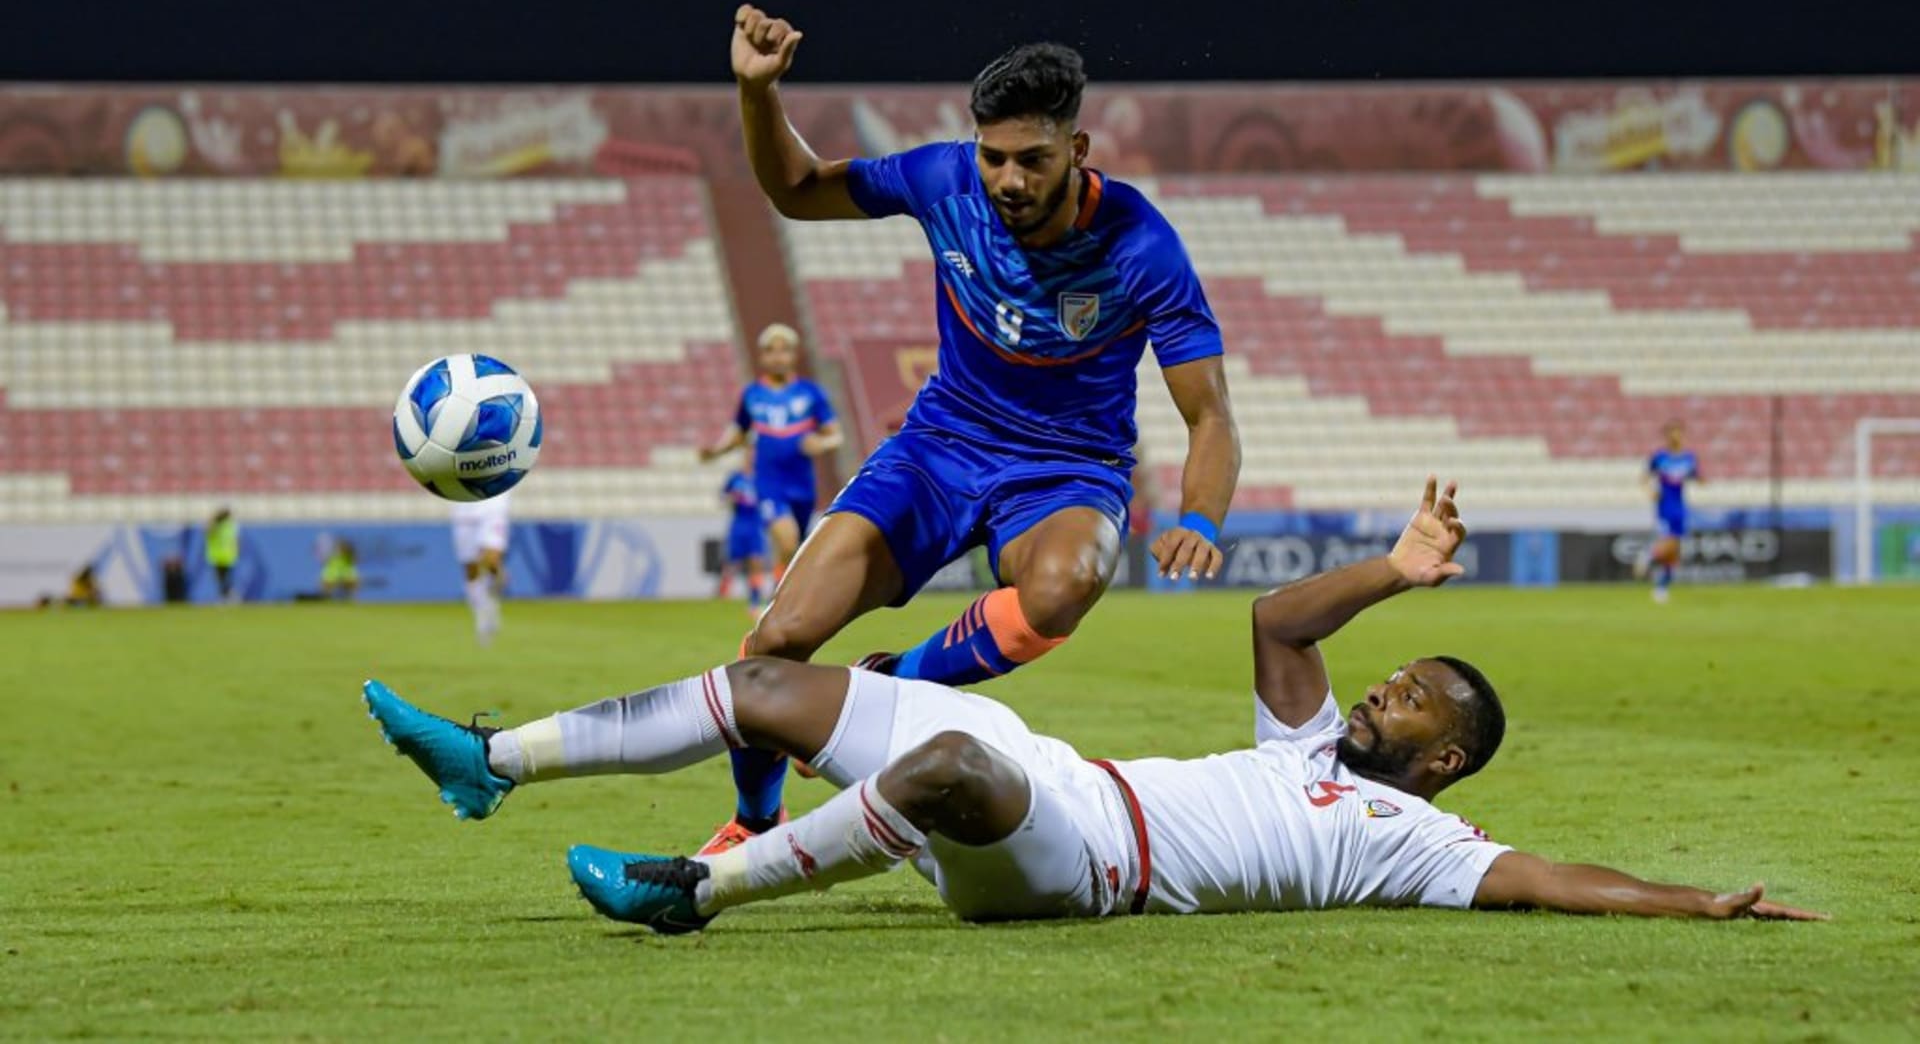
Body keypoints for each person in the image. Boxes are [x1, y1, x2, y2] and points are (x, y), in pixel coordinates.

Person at [364, 478, 1820, 932]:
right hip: (1061, 769)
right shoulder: (1310, 743)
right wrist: (1394, 572)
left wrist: (1692, 907)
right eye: (1393, 675)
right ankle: (494, 759)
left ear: (1445, 754)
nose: (1381, 690)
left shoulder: (1417, 845)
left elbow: (1554, 877)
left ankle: (697, 888)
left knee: (938, 762)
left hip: (1082, 867)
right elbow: (1273, 617)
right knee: (772, 684)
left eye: (1412, 697)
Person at [702, 5, 1241, 851]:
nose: (1009, 180)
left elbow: (1209, 413)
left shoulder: (1140, 244)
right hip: (939, 447)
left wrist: (1201, 518)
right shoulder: (942, 180)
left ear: (1078, 151)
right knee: (776, 639)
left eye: (1033, 160)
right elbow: (798, 192)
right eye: (995, 158)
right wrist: (756, 94)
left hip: (1069, 469)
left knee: (1063, 588)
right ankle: (752, 821)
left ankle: (894, 683)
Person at [699, 323, 843, 581]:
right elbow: (738, 434)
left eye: (784, 350)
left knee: (794, 549)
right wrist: (717, 451)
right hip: (769, 483)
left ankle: (780, 595)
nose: (778, 356)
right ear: (762, 356)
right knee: (787, 542)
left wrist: (820, 443)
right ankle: (777, 603)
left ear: (794, 354)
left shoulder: (811, 393)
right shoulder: (752, 394)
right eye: (771, 350)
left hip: (802, 485)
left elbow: (835, 435)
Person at [1637, 420, 1702, 603]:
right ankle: (1648, 555)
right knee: (1670, 543)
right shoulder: (1659, 457)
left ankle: (1661, 588)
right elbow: (1644, 478)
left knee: (1674, 552)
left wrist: (1701, 480)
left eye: (1679, 432)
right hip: (1665, 505)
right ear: (1666, 436)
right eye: (1672, 433)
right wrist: (1651, 491)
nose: (1676, 436)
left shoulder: (1689, 457)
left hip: (1680, 506)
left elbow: (1695, 476)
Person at [451, 493, 511, 645]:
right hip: (463, 515)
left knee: (491, 559)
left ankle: (495, 581)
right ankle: (483, 614)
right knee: (471, 570)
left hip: (493, 512)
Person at [717, 465, 770, 612]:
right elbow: (722, 497)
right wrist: (732, 497)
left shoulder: (762, 477)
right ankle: (722, 594)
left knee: (756, 560)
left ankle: (755, 600)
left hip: (756, 525)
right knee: (732, 562)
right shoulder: (736, 477)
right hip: (739, 523)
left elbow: (768, 499)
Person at [205, 507, 240, 603]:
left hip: (226, 556)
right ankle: (226, 596)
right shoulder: (217, 526)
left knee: (224, 579)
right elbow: (208, 530)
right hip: (219, 556)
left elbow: (235, 540)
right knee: (221, 579)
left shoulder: (229, 526)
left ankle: (228, 596)